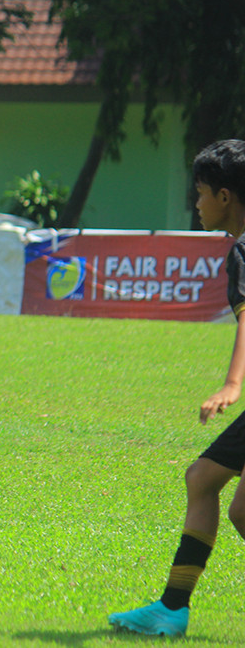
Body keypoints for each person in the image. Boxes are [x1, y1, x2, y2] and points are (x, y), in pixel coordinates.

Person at [109, 138, 245, 637]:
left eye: (202, 192)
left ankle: (172, 608)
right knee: (204, 478)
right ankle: (172, 608)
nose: (197, 202)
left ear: (226, 197)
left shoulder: (244, 252)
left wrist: (232, 383)